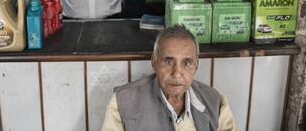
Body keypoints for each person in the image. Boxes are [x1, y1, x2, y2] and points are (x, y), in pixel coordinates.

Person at [101, 25, 237, 131]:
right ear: (154, 62)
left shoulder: (215, 102)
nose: (177, 73)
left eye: (187, 63)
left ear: (196, 66)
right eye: (168, 61)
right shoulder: (122, 102)